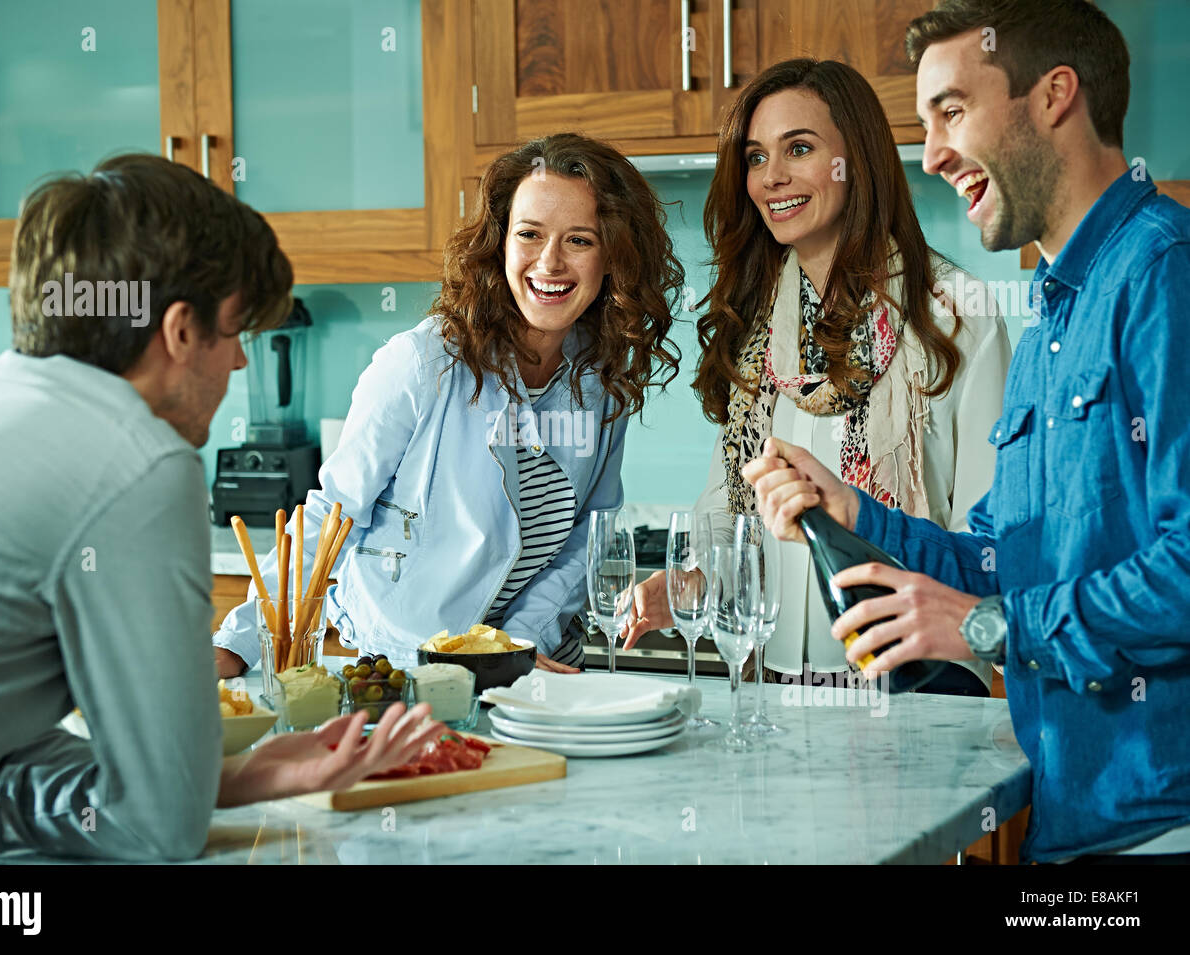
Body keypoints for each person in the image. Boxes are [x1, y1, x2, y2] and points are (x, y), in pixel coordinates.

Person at [0, 154, 441, 866]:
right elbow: (157, 830)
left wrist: (239, 773)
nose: (241, 363)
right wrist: (204, 786)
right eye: (236, 329)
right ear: (181, 332)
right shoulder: (140, 464)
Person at [746, 0, 1190, 864]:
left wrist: (989, 627)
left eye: (953, 109)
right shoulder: (1052, 319)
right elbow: (999, 559)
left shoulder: (1163, 276)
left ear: (1054, 94)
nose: (933, 152)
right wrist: (858, 514)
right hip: (1072, 826)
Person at [214, 133, 683, 676]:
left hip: (539, 666)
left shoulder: (602, 376)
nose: (549, 262)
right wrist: (240, 639)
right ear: (501, 243)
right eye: (529, 234)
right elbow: (332, 514)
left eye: (579, 239)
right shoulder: (421, 363)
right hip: (407, 671)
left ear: (614, 255)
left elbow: (588, 533)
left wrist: (519, 645)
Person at [624, 59, 1011, 696]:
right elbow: (740, 497)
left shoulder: (955, 314)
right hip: (774, 686)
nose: (771, 177)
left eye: (798, 149)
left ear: (854, 158)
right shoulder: (754, 322)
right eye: (754, 157)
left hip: (918, 690)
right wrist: (689, 580)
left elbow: (990, 542)